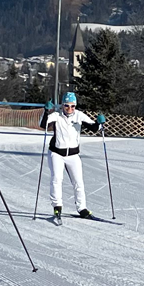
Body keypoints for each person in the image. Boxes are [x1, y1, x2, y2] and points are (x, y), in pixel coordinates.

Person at [40, 90, 101, 222]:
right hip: (56, 153)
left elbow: (94, 128)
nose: (69, 108)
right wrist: (46, 112)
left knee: (78, 182)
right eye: (67, 105)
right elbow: (43, 125)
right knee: (56, 178)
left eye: (72, 106)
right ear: (62, 105)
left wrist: (99, 122)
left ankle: (82, 208)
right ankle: (57, 206)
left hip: (73, 155)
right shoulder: (56, 116)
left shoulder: (79, 116)